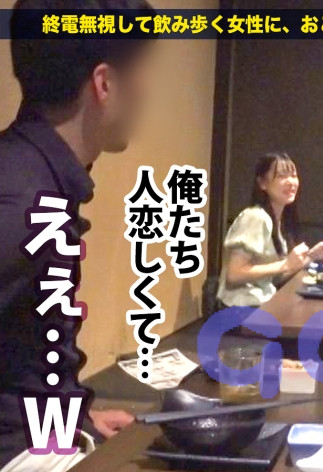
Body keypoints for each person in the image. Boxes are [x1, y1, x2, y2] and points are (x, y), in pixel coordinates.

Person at [0, 0, 157, 470]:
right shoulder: (20, 199)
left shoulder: (36, 174)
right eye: (143, 71)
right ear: (105, 84)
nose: (148, 91)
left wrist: (75, 418)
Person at [216, 152, 323, 308]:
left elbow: (272, 278)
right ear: (262, 183)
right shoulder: (255, 217)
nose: (291, 182)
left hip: (261, 304)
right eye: (282, 176)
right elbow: (234, 274)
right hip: (240, 310)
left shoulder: (278, 221)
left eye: (293, 175)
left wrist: (311, 256)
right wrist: (285, 264)